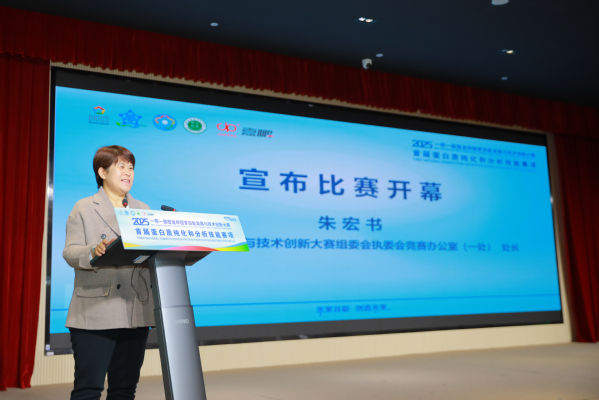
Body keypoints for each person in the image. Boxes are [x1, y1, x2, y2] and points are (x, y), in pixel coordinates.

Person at [63, 145, 155, 400]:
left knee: (125, 390)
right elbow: (69, 252)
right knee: (88, 390)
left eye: (131, 167)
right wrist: (93, 250)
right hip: (95, 309)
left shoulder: (143, 209)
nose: (128, 172)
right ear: (102, 172)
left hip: (135, 310)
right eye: (121, 166)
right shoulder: (84, 207)